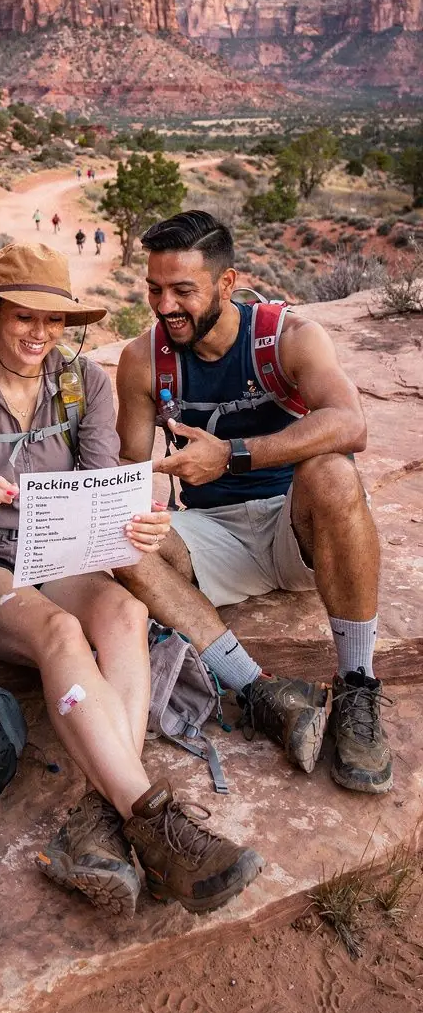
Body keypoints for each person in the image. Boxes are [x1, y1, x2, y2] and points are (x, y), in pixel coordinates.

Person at [0, 242, 264, 919]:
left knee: (126, 615)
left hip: (59, 551)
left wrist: (140, 525)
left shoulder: (83, 384)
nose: (38, 335)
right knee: (59, 631)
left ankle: (98, 820)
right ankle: (158, 825)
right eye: (23, 317)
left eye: (53, 322)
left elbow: (106, 487)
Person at [114, 210, 392, 795]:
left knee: (334, 474)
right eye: (154, 289)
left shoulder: (287, 337)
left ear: (227, 282)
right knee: (120, 535)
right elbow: (129, 472)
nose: (166, 306)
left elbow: (350, 424)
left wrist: (233, 455)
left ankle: (358, 687)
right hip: (209, 534)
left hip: (295, 527)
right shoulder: (145, 360)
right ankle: (259, 689)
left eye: (183, 290)